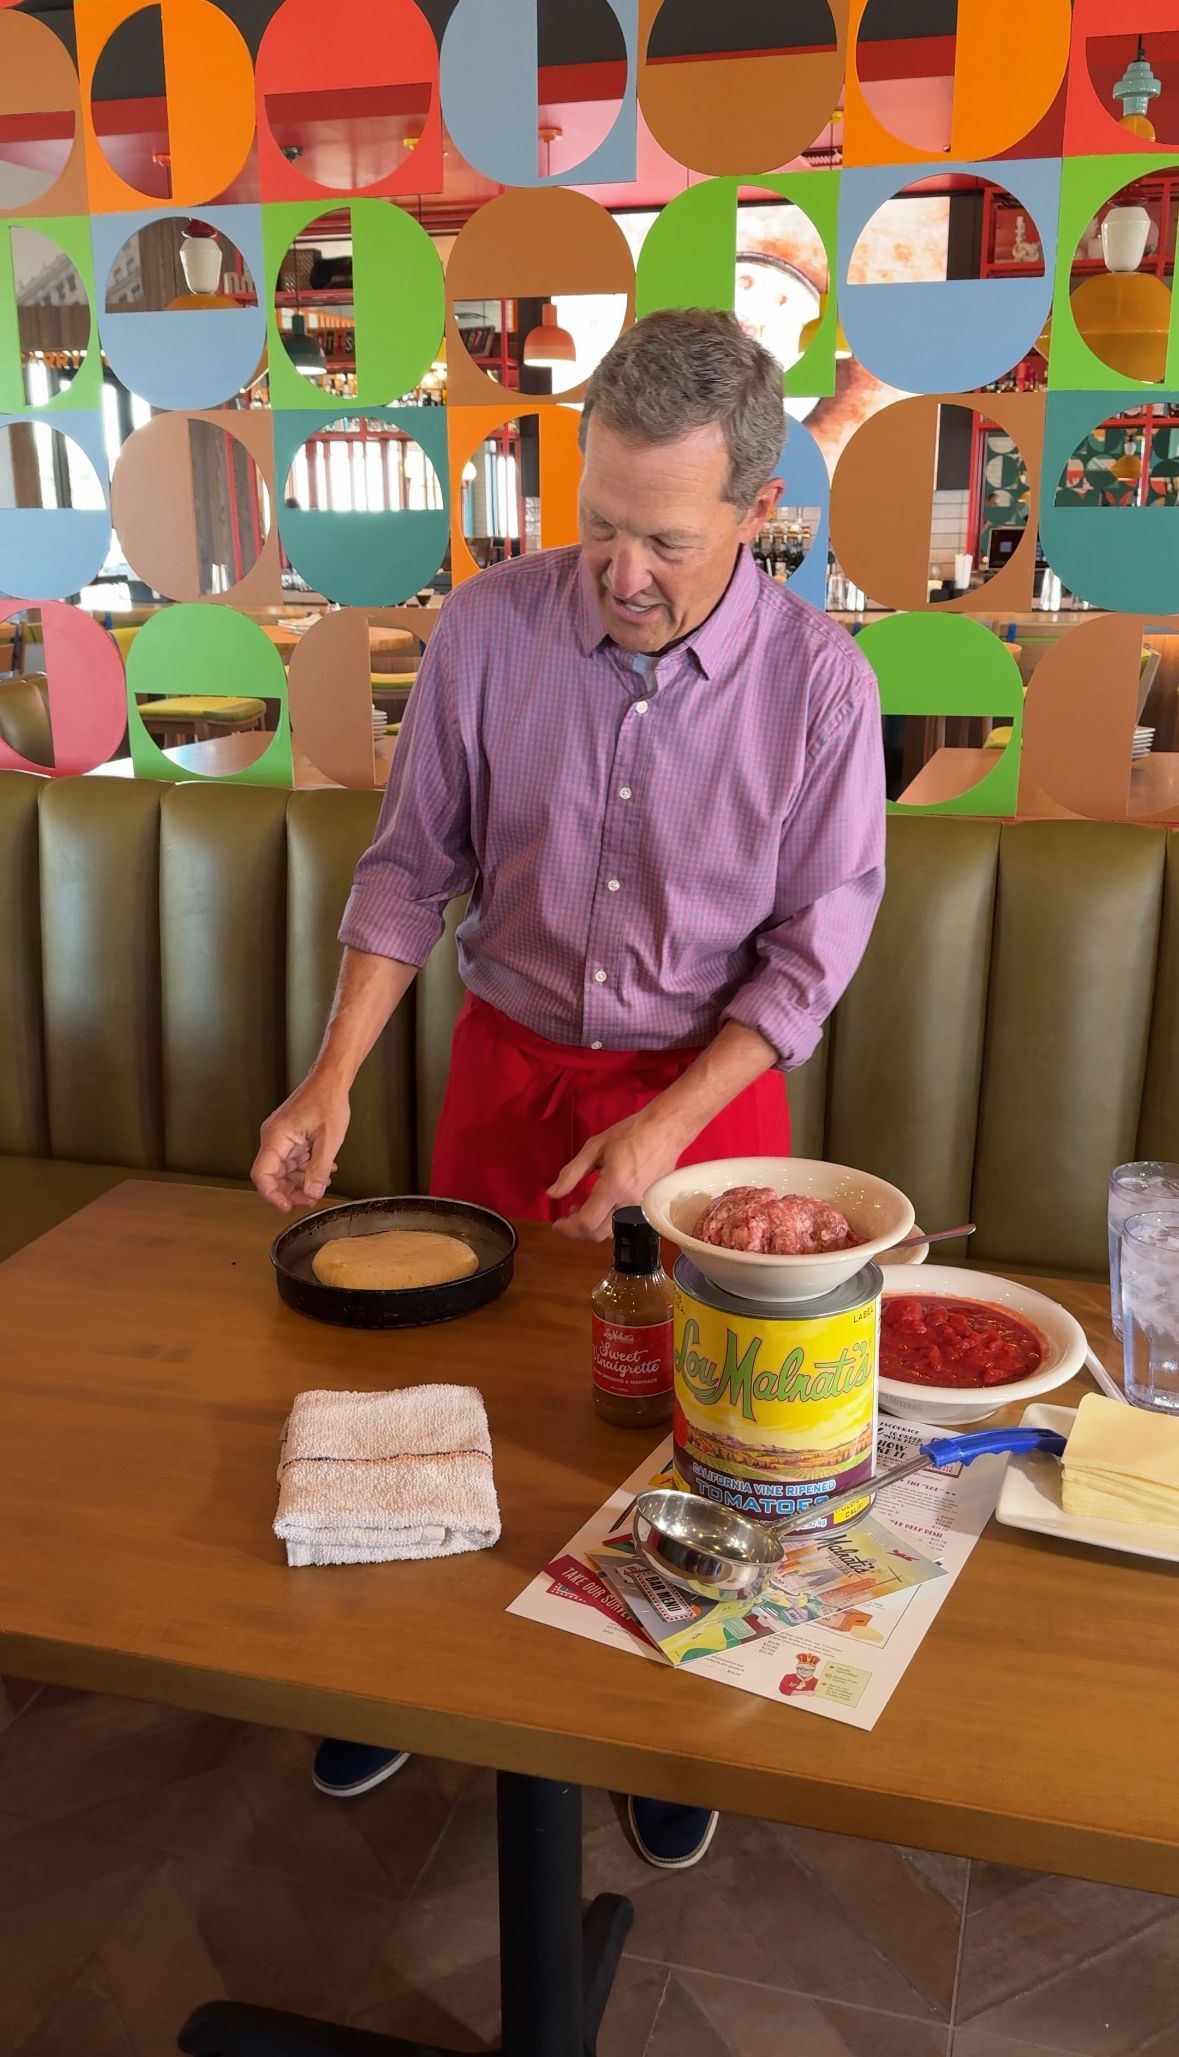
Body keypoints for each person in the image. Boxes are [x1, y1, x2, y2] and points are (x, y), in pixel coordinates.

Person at [253, 308, 886, 1869]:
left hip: (707, 1101)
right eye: (601, 525)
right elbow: (412, 872)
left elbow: (812, 952)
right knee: (463, 1397)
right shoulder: (486, 632)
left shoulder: (822, 687)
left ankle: (666, 1715)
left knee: (700, 1430)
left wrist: (665, 1127)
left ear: (758, 508)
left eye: (666, 541)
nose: (622, 571)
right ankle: (427, 1680)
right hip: (510, 1065)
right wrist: (332, 1077)